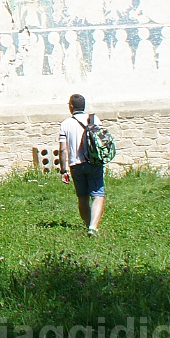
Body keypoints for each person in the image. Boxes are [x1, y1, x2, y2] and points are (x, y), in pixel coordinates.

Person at [58, 94, 105, 236]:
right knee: (98, 195)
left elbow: (62, 149)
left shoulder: (65, 124)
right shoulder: (94, 119)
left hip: (75, 165)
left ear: (71, 106)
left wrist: (63, 170)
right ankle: (93, 227)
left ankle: (88, 225)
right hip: (94, 162)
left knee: (82, 197)